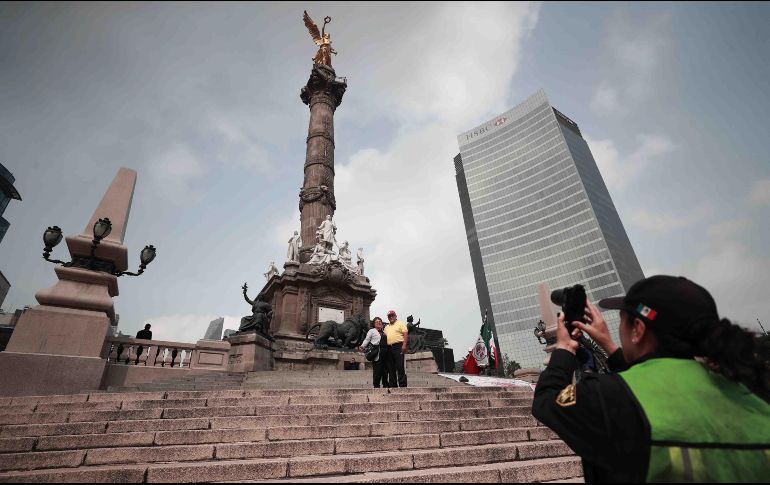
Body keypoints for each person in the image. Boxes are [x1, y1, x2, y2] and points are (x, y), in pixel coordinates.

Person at [532, 275, 770, 483]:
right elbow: (650, 382)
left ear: (638, 328)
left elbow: (546, 400)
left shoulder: (609, 397)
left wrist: (564, 348)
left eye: (623, 321)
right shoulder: (753, 391)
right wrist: (611, 347)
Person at [359, 317, 389, 388]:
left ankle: (386, 385)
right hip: (377, 352)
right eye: (377, 322)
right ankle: (376, 386)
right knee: (377, 371)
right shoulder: (372, 331)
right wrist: (362, 346)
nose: (379, 322)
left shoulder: (384, 332)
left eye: (380, 321)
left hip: (386, 353)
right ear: (374, 324)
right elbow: (367, 339)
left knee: (385, 370)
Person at [384, 310, 408, 388]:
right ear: (388, 318)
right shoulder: (386, 327)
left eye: (392, 315)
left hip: (398, 346)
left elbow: (405, 333)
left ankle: (402, 384)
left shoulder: (400, 323)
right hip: (389, 348)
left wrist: (404, 345)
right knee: (391, 367)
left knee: (400, 366)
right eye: (389, 316)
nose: (391, 317)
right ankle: (393, 385)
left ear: (395, 316)